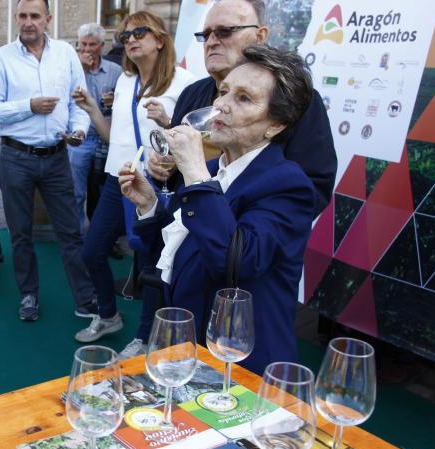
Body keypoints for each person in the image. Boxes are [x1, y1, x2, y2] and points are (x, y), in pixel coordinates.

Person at [119, 44, 317, 374]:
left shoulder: (287, 184)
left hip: (241, 366)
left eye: (243, 98)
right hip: (187, 352)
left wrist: (195, 173)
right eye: (224, 91)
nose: (221, 104)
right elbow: (174, 256)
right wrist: (150, 206)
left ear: (276, 125)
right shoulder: (210, 171)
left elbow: (235, 266)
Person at [72, 10, 196, 345]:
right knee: (92, 251)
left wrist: (168, 120)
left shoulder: (183, 82)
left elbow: (193, 141)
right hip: (118, 178)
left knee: (151, 266)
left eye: (139, 32)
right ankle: (109, 315)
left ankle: (144, 338)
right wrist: (92, 110)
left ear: (160, 39)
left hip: (156, 185)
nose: (130, 40)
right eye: (125, 36)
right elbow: (115, 138)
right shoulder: (126, 82)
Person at [158, 0, 336, 216]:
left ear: (260, 36)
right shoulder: (192, 93)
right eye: (206, 34)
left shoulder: (299, 101)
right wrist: (165, 167)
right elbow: (176, 163)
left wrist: (244, 222)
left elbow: (312, 187)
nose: (211, 42)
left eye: (224, 31)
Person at [0, 0, 97, 322]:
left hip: (57, 156)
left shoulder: (65, 54)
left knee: (71, 232)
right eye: (23, 15)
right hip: (17, 157)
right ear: (16, 18)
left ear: (48, 19)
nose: (28, 22)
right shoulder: (1, 58)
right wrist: (29, 105)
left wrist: (78, 130)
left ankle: (85, 298)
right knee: (20, 233)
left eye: (35, 15)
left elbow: (78, 102)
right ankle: (28, 295)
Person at [69, 23, 121, 233]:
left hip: (105, 138)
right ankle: (79, 232)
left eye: (92, 45)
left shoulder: (115, 71)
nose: (87, 49)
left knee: (104, 191)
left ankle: (106, 236)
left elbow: (125, 103)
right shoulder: (70, 69)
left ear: (101, 46)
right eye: (83, 44)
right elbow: (63, 99)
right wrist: (79, 68)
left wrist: (114, 101)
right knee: (77, 191)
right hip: (79, 139)